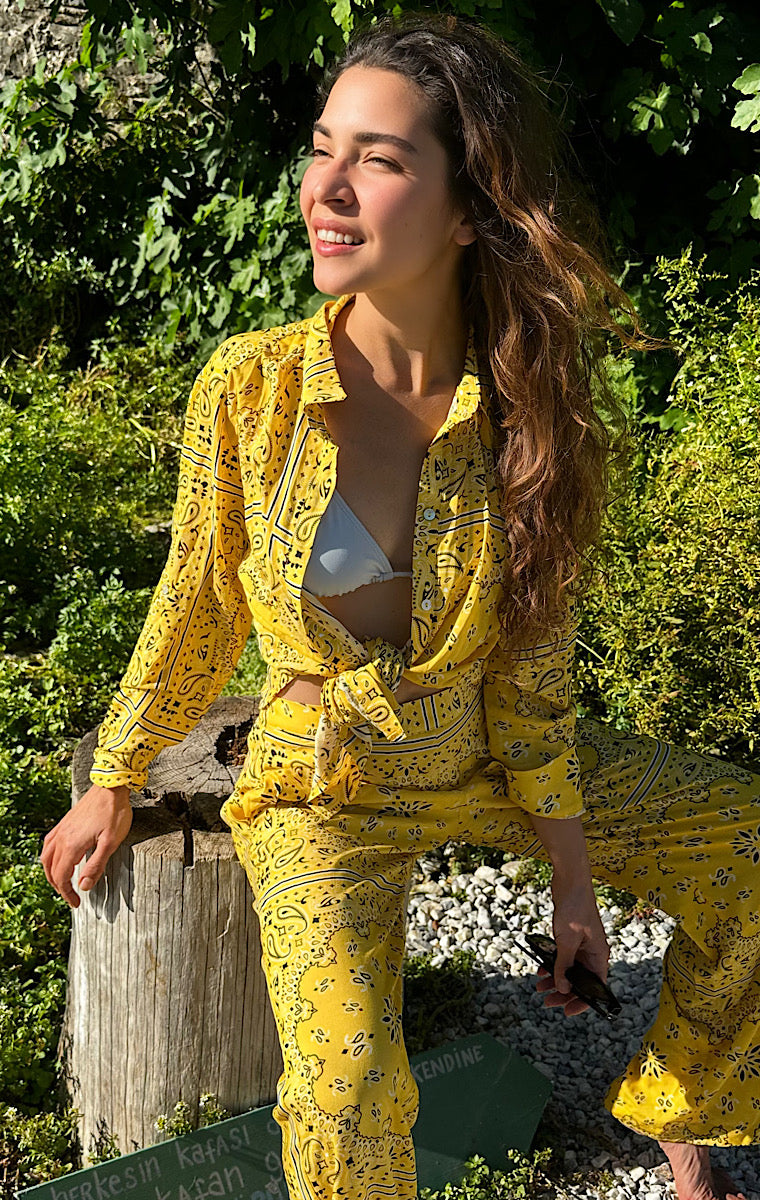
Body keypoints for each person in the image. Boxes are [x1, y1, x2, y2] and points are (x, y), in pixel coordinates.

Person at [41, 13, 759, 1200]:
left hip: (480, 751)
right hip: (323, 781)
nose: (326, 187)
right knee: (346, 1089)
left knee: (746, 842)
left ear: (470, 207)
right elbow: (199, 597)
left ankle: (674, 1111)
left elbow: (532, 670)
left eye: (376, 159)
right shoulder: (254, 388)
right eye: (322, 148)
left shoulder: (528, 408)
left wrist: (571, 881)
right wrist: (116, 772)